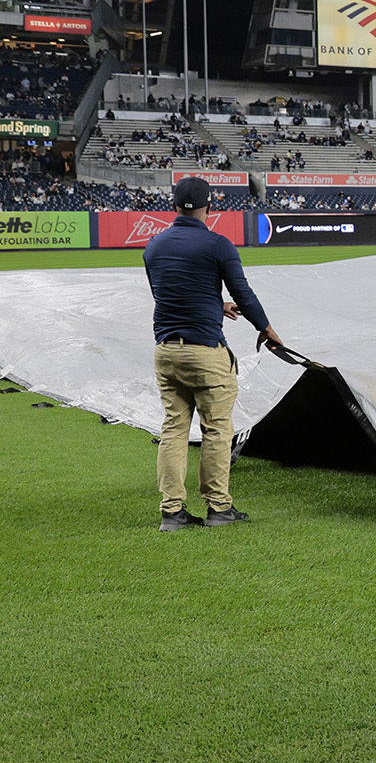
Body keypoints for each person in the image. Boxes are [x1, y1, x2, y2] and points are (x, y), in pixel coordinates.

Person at [143, 176, 284, 531]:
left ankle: (172, 513)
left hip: (166, 352)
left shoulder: (154, 246)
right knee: (218, 429)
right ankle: (219, 508)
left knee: (174, 430)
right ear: (210, 207)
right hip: (205, 353)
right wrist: (265, 329)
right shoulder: (218, 244)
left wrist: (214, 304)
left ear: (174, 206)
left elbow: (169, 295)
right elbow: (244, 293)